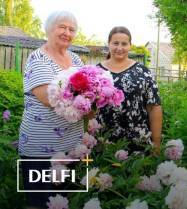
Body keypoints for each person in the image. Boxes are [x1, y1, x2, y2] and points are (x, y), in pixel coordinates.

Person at [18, 11, 83, 209]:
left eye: (71, 29)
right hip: (41, 149)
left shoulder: (76, 59)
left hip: (72, 146)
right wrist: (86, 97)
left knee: (65, 199)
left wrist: (93, 97)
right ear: (49, 29)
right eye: (62, 27)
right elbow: (49, 98)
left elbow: (91, 89)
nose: (67, 32)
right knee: (41, 202)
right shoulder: (38, 59)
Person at [97, 26, 162, 155]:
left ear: (130, 45)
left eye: (124, 44)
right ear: (108, 44)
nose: (119, 48)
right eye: (115, 43)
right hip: (103, 143)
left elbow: (154, 107)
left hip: (138, 144)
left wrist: (156, 143)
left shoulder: (142, 72)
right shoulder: (96, 73)